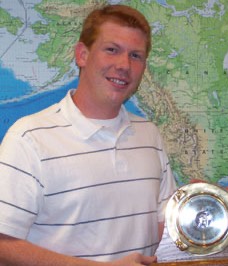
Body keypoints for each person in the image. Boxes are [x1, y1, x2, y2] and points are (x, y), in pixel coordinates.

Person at [0, 4, 176, 266]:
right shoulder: (29, 139)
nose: (124, 65)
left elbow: (166, 231)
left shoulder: (149, 136)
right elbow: (4, 246)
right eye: (112, 50)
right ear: (82, 54)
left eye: (136, 56)